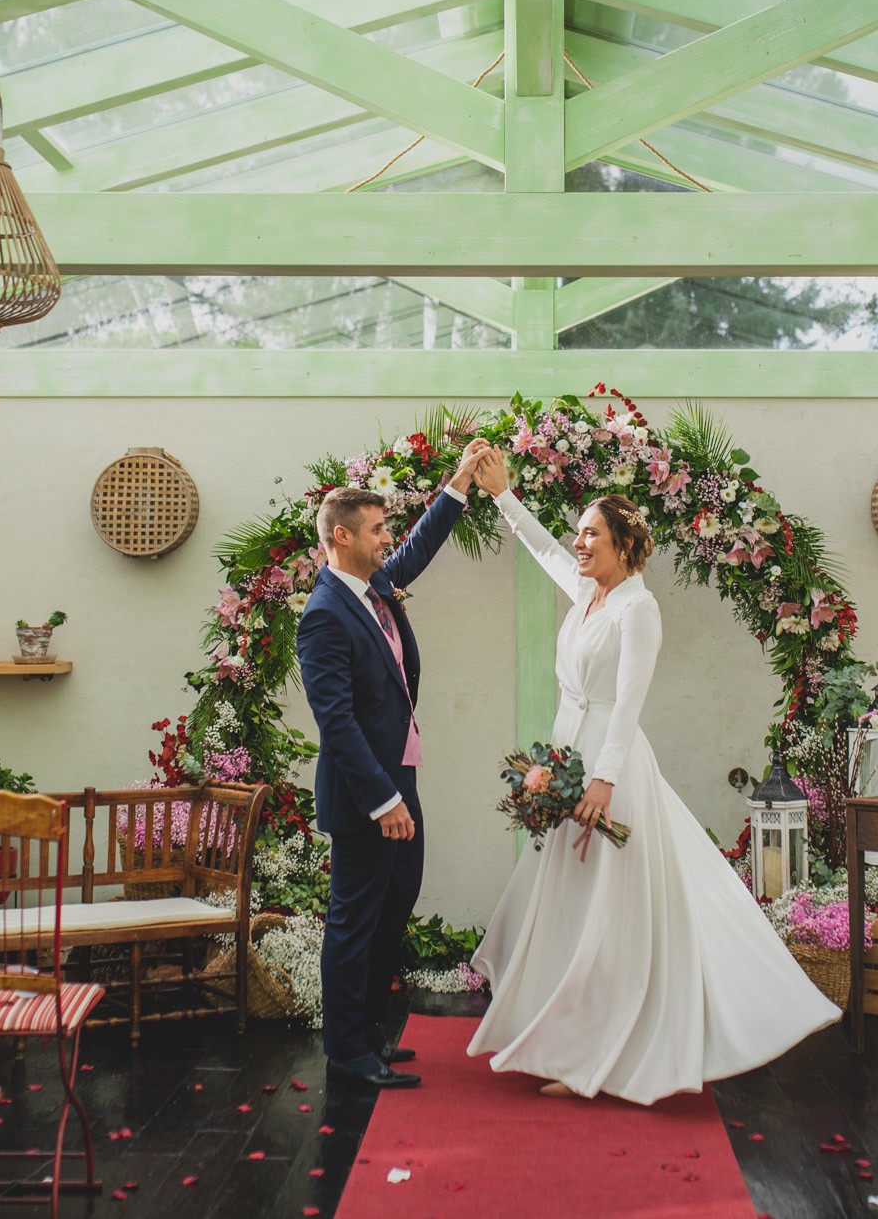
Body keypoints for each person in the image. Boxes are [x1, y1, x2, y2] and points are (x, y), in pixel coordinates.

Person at [466, 448, 841, 1104]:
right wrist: (502, 496)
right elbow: (544, 549)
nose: (578, 542)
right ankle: (563, 1036)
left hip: (608, 766)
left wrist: (602, 780)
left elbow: (632, 699)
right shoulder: (589, 590)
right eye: (580, 532)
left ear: (624, 546)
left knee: (606, 913)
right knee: (570, 906)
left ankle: (601, 1054)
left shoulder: (637, 610)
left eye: (591, 534)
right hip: (566, 755)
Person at [298, 439, 490, 1089]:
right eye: (378, 529)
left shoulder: (371, 584)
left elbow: (417, 551)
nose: (388, 538)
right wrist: (383, 800)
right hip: (366, 794)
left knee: (393, 904)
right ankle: (347, 1048)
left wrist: (459, 484)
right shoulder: (324, 615)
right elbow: (337, 721)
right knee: (355, 917)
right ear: (343, 536)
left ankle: (368, 1032)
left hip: (398, 777)